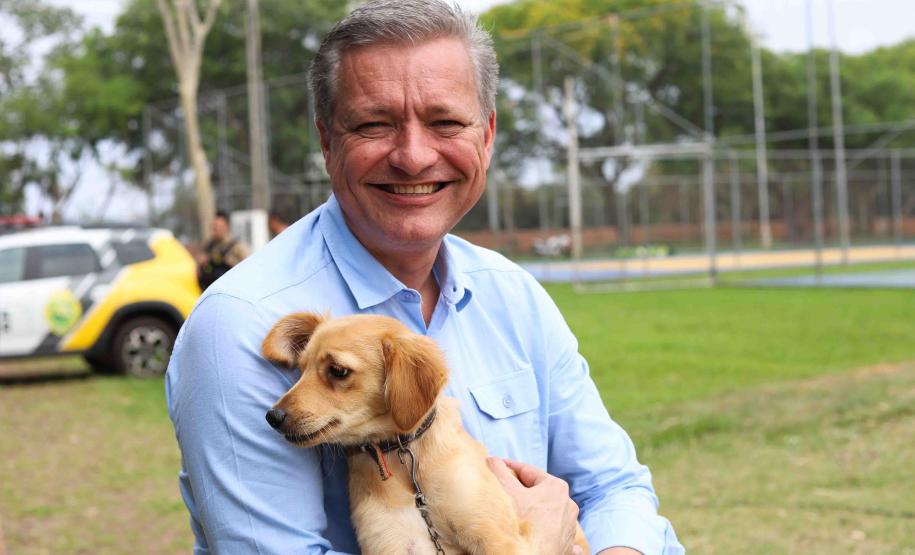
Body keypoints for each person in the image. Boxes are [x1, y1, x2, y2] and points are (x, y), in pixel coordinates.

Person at [166, 1, 684, 554]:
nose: (413, 157)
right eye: (374, 124)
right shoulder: (240, 325)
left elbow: (612, 489)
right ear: (326, 142)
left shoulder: (512, 296)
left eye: (445, 122)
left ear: (485, 137)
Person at [195, 210, 250, 290]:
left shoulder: (237, 247)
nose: (214, 230)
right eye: (213, 227)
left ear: (226, 226)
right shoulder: (209, 246)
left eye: (217, 227)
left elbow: (248, 270)